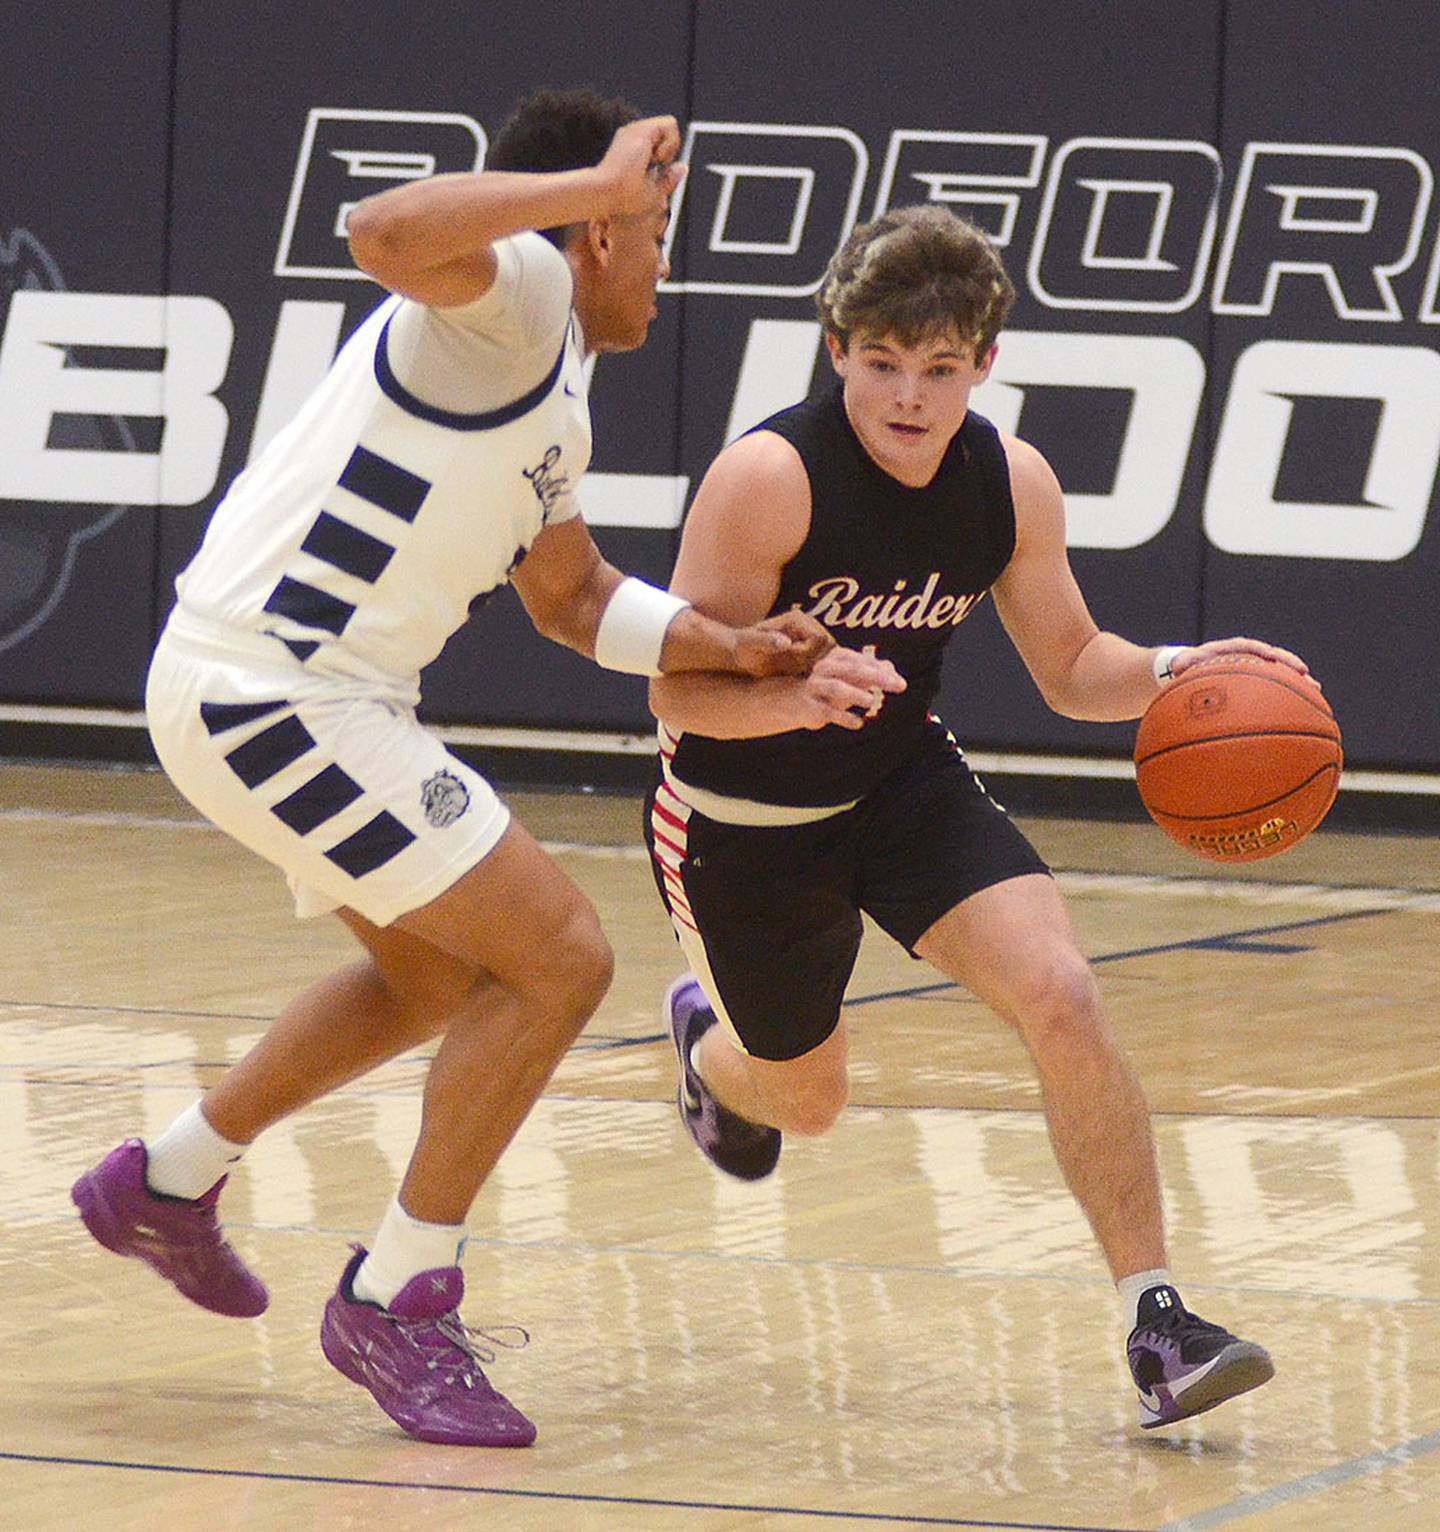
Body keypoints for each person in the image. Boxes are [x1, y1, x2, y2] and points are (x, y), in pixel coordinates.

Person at [69, 87, 890, 1450]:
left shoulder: (551, 373)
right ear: (599, 231)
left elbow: (571, 600)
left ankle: (167, 1180)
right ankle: (396, 1294)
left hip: (283, 697)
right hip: (277, 694)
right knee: (561, 958)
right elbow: (380, 229)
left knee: (439, 977)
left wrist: (734, 646)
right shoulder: (517, 294)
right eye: (655, 230)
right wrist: (596, 186)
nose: (664, 262)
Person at [645, 203, 1298, 1431]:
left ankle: (1160, 1324)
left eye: (940, 368)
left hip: (900, 782)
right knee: (808, 1101)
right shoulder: (767, 479)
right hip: (742, 815)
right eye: (883, 362)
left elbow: (1073, 665)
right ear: (836, 349)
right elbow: (674, 693)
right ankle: (709, 1054)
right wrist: (790, 696)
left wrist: (1180, 669)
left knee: (1063, 990)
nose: (909, 394)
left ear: (984, 364)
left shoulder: (1009, 479)